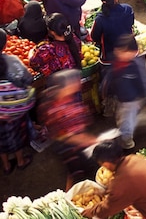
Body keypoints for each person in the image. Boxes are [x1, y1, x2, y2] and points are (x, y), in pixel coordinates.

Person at [38, 69, 97, 190]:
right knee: (74, 166)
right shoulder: (55, 109)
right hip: (67, 145)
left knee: (83, 161)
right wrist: (87, 140)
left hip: (77, 138)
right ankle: (69, 191)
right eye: (74, 82)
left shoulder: (68, 97)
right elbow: (63, 135)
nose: (78, 84)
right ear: (63, 87)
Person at [102, 35, 146, 149]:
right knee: (125, 118)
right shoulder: (115, 62)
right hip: (120, 98)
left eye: (123, 51)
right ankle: (138, 121)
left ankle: (127, 143)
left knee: (126, 123)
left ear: (134, 52)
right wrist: (105, 92)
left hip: (131, 100)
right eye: (117, 50)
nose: (119, 53)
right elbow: (109, 78)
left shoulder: (136, 65)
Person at [0, 29, 34, 175]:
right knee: (16, 134)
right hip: (13, 109)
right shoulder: (12, 61)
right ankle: (20, 161)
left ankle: (6, 165)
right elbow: (28, 79)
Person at [90, 0, 134, 64]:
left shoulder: (99, 19)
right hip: (130, 52)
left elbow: (94, 37)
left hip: (110, 58)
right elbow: (131, 24)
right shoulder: (128, 9)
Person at [30, 13, 82, 78]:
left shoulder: (48, 49)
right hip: (75, 78)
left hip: (59, 82)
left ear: (52, 32)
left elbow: (34, 63)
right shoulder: (74, 39)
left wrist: (31, 53)